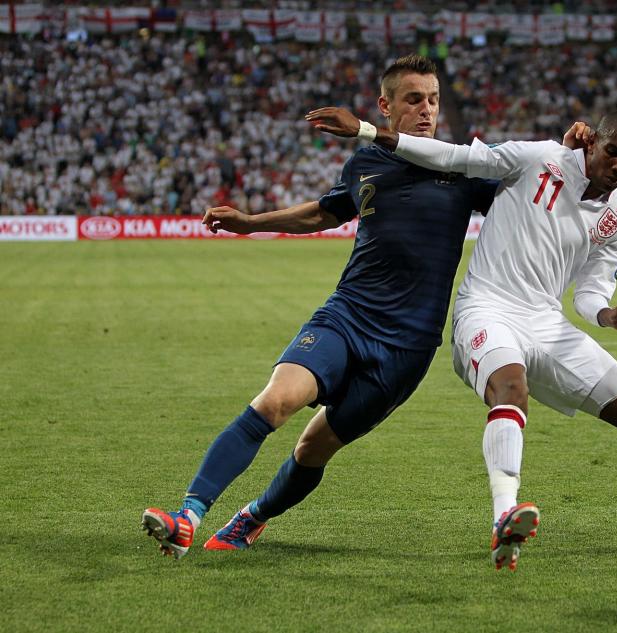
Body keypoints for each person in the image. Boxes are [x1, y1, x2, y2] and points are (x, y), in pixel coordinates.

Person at [140, 55, 502, 558]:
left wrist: (572, 158)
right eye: (414, 99)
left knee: (313, 449)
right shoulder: (366, 163)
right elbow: (322, 212)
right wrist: (250, 222)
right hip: (348, 315)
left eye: (434, 100)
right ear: (386, 105)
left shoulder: (466, 168)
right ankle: (187, 517)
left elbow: (528, 192)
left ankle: (252, 516)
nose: (426, 110)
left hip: (408, 346)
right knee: (275, 402)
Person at [307, 107, 617, 572]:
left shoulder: (616, 218)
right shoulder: (540, 158)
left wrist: (608, 315)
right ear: (591, 144)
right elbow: (454, 157)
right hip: (488, 307)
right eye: (614, 152)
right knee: (510, 389)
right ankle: (505, 515)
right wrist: (368, 131)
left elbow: (590, 292)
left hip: (548, 323)